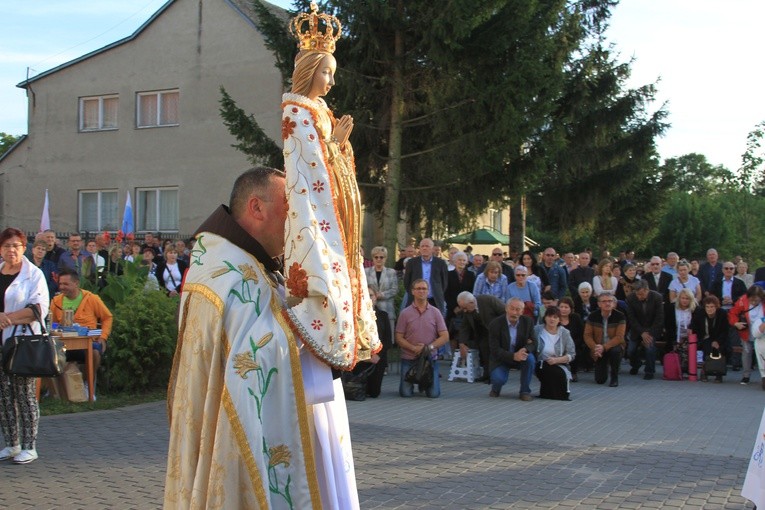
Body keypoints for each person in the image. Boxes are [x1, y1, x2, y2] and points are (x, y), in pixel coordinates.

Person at [166, 166, 363, 508]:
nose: (297, 223)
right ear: (257, 208)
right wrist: (316, 318)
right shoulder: (230, 272)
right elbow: (249, 361)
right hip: (237, 434)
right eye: (291, 210)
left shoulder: (245, 261)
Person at [281, 10, 380, 372]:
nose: (331, 82)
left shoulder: (320, 109)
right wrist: (336, 147)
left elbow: (331, 159)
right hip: (316, 217)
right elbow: (307, 167)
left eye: (333, 74)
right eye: (326, 72)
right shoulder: (297, 109)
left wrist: (340, 147)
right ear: (308, 70)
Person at [0, 228, 50, 464]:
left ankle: (29, 446)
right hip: (1, 342)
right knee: (4, 397)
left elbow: (37, 310)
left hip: (21, 342)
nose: (11, 250)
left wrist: (7, 318)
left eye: (16, 246)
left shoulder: (34, 274)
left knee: (24, 394)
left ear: (24, 248)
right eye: (7, 246)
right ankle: (11, 443)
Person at [50, 268, 113, 375]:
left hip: (87, 342)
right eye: (60, 284)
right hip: (63, 343)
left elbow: (107, 317)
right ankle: (54, 388)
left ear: (76, 283)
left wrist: (103, 337)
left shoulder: (91, 298)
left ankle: (88, 386)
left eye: (66, 284)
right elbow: (52, 324)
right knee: (46, 352)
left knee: (94, 353)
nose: (62, 287)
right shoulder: (56, 301)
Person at [396, 279, 449, 398]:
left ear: (428, 291)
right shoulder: (405, 313)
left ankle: (425, 384)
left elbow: (445, 336)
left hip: (430, 358)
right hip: (409, 357)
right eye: (418, 289)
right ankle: (413, 384)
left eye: (424, 289)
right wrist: (413, 348)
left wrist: (428, 348)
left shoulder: (435, 312)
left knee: (434, 394)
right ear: (413, 292)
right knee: (405, 394)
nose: (421, 291)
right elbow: (398, 337)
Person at [487, 298, 537, 400]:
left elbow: (534, 342)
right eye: (512, 309)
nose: (514, 312)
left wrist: (524, 350)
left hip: (520, 354)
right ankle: (495, 389)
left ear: (522, 311)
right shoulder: (495, 324)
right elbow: (494, 349)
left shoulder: (528, 322)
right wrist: (513, 356)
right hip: (502, 358)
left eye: (518, 309)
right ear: (506, 309)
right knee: (498, 379)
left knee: (530, 359)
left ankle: (525, 391)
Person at [455, 291, 505, 382]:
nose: (464, 311)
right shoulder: (467, 310)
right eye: (462, 309)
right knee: (484, 352)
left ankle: (493, 376)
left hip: (497, 332)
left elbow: (505, 312)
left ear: (472, 302)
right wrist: (462, 343)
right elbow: (464, 327)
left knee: (493, 353)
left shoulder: (489, 300)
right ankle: (486, 374)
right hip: (482, 333)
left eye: (465, 308)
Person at [533, 306, 576, 400]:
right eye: (549, 316)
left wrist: (557, 360)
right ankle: (548, 393)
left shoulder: (565, 333)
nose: (552, 319)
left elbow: (571, 354)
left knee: (560, 374)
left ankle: (553, 394)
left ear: (559, 320)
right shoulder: (536, 330)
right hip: (540, 363)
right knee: (553, 372)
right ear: (545, 317)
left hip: (559, 363)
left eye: (555, 317)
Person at [625, 280, 664, 380]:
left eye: (641, 294)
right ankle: (636, 364)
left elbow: (659, 318)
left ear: (647, 290)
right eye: (637, 294)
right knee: (630, 350)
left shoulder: (657, 297)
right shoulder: (630, 298)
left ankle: (649, 371)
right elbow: (631, 318)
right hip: (637, 329)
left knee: (650, 348)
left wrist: (649, 333)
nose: (639, 297)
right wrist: (642, 332)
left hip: (652, 329)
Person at [584, 294, 626, 387]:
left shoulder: (620, 316)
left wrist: (604, 347)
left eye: (610, 301)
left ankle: (614, 377)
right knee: (600, 380)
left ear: (614, 303)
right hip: (598, 348)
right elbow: (587, 336)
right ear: (599, 304)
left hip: (613, 346)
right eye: (604, 301)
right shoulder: (592, 316)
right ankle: (604, 364)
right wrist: (596, 348)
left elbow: (620, 337)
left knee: (616, 351)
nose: (607, 303)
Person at [728, 285, 765, 387]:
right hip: (747, 331)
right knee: (747, 352)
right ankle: (746, 375)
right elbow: (732, 313)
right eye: (751, 300)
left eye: (756, 301)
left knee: (762, 354)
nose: (753, 303)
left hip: (762, 332)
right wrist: (736, 323)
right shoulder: (742, 300)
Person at [403, 238, 449, 315]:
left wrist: (437, 291)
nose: (424, 248)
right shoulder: (411, 263)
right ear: (419, 248)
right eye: (422, 246)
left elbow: (444, 283)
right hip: (416, 300)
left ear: (432, 248)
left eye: (427, 246)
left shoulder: (440, 263)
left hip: (435, 300)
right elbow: (407, 283)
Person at [691, 295, 730, 383]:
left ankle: (719, 374)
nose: (709, 309)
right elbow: (694, 325)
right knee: (707, 348)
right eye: (707, 307)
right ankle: (705, 371)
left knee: (720, 348)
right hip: (705, 337)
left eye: (712, 307)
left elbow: (725, 330)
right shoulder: (700, 313)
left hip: (720, 338)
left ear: (716, 306)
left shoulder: (722, 313)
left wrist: (718, 341)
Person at [365, 246, 398, 345]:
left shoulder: (391, 272)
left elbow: (394, 289)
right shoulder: (366, 272)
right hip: (370, 308)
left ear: (385, 258)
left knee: (386, 338)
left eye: (381, 257)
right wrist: (372, 295)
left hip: (387, 308)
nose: (379, 259)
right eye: (376, 257)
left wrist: (382, 294)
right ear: (373, 258)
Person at [664, 288, 697, 372]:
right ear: (679, 298)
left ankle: (687, 369)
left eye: (687, 298)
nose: (684, 300)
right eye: (683, 298)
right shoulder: (671, 308)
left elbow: (698, 324)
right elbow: (668, 324)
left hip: (690, 338)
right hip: (675, 336)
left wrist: (691, 328)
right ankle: (674, 370)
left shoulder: (696, 309)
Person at [559, 296, 587, 381]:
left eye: (566, 307)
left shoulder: (576, 318)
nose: (563, 309)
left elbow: (581, 333)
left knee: (576, 352)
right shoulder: (555, 318)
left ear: (571, 308)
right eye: (561, 307)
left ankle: (574, 372)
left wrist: (572, 345)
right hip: (558, 345)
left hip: (574, 344)